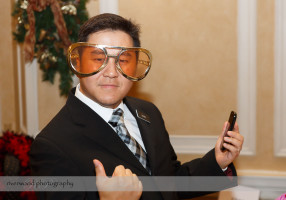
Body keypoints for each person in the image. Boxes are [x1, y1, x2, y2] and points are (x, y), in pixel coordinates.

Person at [29, 13, 244, 200]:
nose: (111, 72)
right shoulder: (51, 145)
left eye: (123, 60)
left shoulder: (148, 112)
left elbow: (167, 183)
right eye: (97, 59)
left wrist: (218, 162)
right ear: (78, 65)